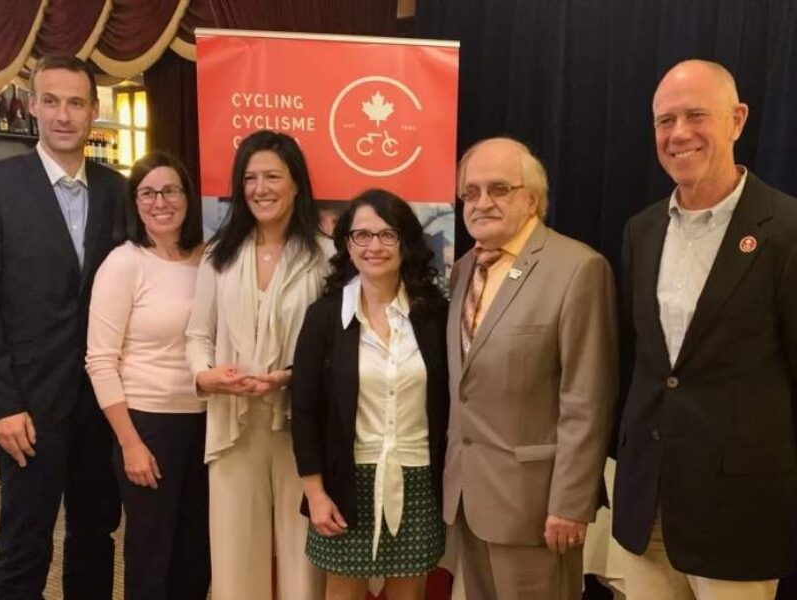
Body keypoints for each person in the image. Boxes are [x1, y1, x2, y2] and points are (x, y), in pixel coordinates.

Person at [612, 59, 797, 600]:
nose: (679, 134)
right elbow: (645, 366)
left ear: (738, 120)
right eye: (665, 121)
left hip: (740, 514)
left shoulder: (787, 230)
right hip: (647, 509)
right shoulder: (640, 231)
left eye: (696, 115)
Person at [445, 137, 618, 600]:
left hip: (537, 508)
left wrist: (570, 502)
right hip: (468, 497)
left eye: (499, 189)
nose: (482, 203)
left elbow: (588, 398)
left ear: (532, 199)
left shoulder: (578, 268)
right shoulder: (462, 270)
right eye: (471, 192)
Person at [0, 55, 123, 599]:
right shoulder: (1, 183)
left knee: (96, 537)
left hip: (103, 402)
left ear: (94, 111)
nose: (63, 115)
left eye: (76, 102)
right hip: (27, 405)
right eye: (51, 101)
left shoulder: (121, 191)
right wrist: (2, 402)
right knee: (24, 545)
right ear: (32, 106)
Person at [186, 130, 328, 600]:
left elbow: (334, 348)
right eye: (250, 178)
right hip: (232, 424)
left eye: (272, 176)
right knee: (233, 555)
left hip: (299, 426)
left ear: (295, 184)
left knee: (303, 559)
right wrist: (206, 376)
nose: (260, 188)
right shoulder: (219, 254)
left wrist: (292, 377)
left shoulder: (325, 256)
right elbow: (198, 334)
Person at [292, 189, 449, 600]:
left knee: (408, 594)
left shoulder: (434, 316)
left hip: (416, 479)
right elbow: (304, 410)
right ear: (347, 243)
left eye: (387, 235)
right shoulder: (324, 317)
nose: (373, 246)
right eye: (361, 235)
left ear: (407, 243)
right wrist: (316, 494)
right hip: (345, 482)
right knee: (342, 593)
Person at [85, 150, 210, 599]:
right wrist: (130, 443)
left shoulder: (210, 258)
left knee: (197, 552)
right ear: (135, 203)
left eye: (170, 190)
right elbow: (100, 361)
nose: (161, 202)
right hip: (147, 424)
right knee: (151, 555)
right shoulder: (124, 263)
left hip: (208, 422)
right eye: (148, 193)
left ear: (187, 197)